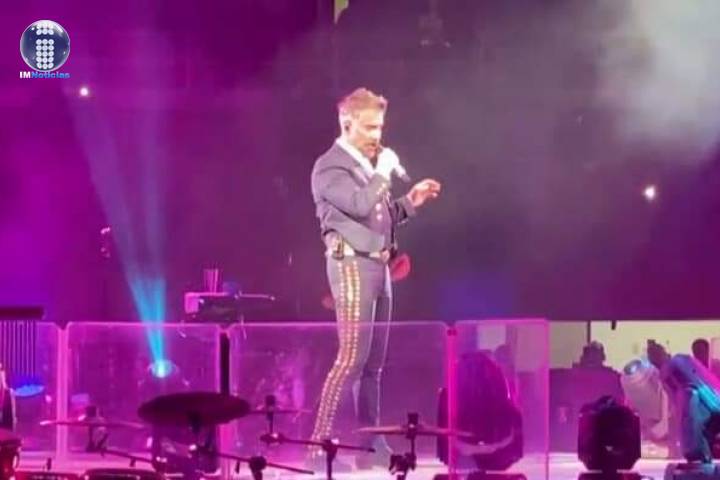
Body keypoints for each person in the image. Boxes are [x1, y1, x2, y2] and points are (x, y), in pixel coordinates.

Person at [308, 87, 441, 469]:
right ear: (346, 123)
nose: (376, 135)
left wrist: (411, 201)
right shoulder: (330, 167)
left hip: (378, 266)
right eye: (369, 127)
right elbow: (358, 204)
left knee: (373, 366)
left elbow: (379, 217)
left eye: (379, 127)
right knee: (351, 358)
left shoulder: (367, 169)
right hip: (351, 265)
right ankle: (317, 446)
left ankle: (370, 446)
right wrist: (383, 171)